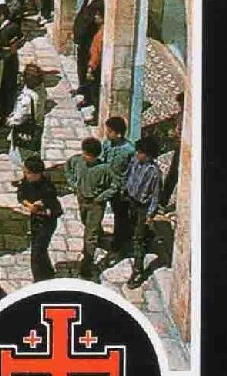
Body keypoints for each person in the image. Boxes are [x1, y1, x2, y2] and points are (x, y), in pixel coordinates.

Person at [65, 136, 119, 280]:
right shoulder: (77, 160)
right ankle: (99, 236)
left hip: (96, 204)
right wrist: (72, 183)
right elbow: (68, 166)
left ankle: (87, 265)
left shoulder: (105, 169)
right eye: (84, 154)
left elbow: (115, 186)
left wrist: (101, 197)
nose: (86, 157)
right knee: (86, 223)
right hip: (82, 200)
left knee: (90, 236)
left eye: (88, 155)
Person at [123, 136, 163, 287]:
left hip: (143, 207)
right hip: (131, 201)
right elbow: (128, 174)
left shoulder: (154, 172)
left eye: (140, 153)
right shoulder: (134, 161)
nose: (137, 155)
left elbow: (155, 196)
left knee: (138, 239)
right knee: (132, 230)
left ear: (149, 155)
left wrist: (150, 215)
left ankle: (138, 271)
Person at [16, 154, 63, 282]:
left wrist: (40, 205)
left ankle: (39, 279)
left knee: (37, 251)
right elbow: (21, 195)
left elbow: (50, 205)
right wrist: (29, 205)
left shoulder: (47, 188)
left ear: (37, 174)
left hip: (47, 221)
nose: (25, 174)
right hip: (35, 219)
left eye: (28, 173)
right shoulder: (27, 180)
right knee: (39, 248)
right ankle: (47, 272)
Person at [101, 114, 137, 254]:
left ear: (119, 133)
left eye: (110, 131)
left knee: (120, 216)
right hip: (107, 184)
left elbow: (132, 171)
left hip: (120, 188)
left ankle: (119, 243)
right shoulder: (107, 144)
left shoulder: (129, 150)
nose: (107, 133)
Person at [73, 0, 105, 106]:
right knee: (81, 66)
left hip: (89, 43)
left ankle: (88, 98)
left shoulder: (98, 4)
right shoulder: (88, 0)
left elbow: (93, 23)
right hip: (82, 42)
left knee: (88, 70)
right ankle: (82, 87)